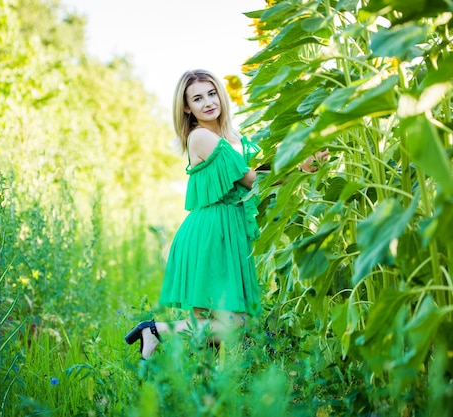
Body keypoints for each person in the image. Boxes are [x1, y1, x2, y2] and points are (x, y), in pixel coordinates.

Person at [125, 69, 328, 359]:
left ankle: (206, 395)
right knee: (233, 324)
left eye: (211, 93)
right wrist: (299, 170)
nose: (208, 102)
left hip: (229, 233)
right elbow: (251, 179)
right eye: (197, 98)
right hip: (209, 233)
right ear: (187, 108)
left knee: (210, 332)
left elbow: (262, 170)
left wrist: (302, 160)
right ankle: (155, 331)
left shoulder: (234, 136)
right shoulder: (200, 138)